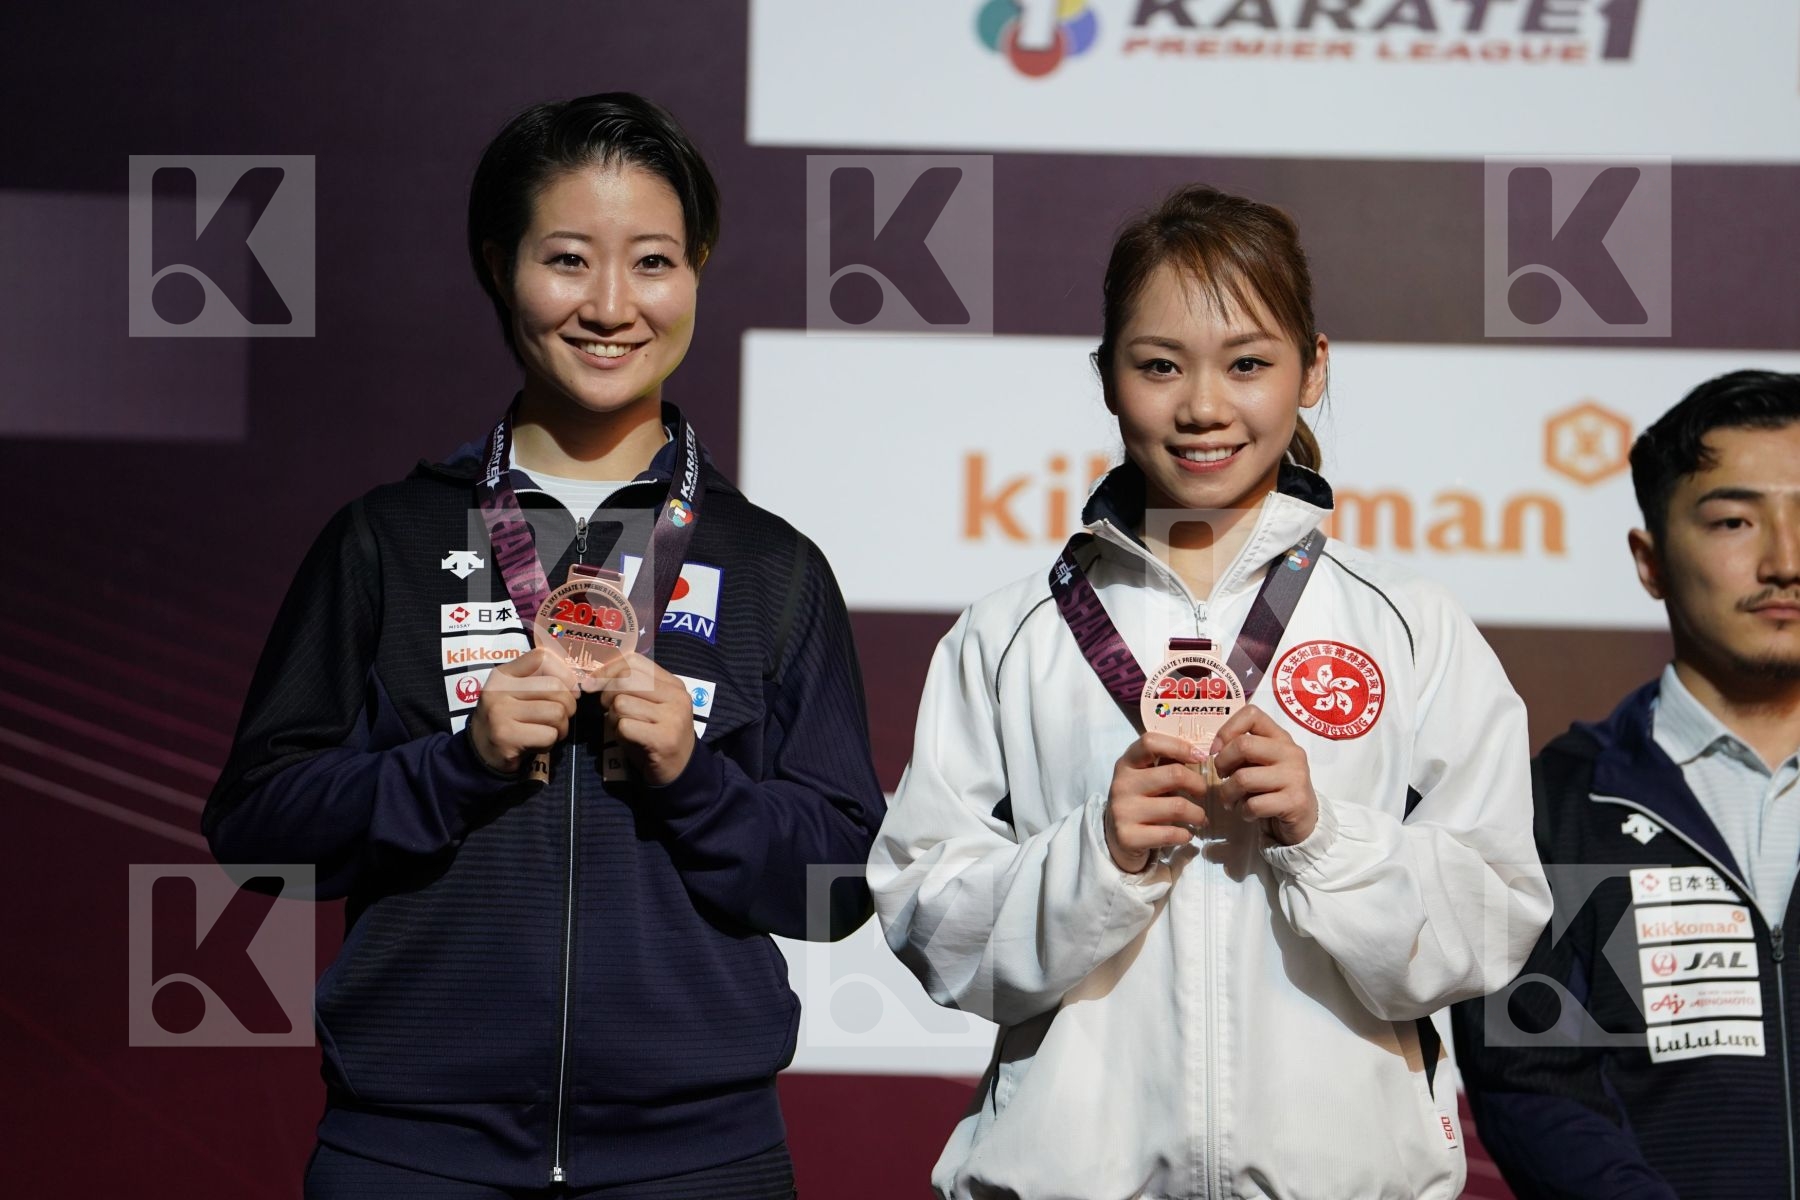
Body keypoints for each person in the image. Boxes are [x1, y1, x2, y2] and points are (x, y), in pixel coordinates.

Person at [204, 93, 885, 1198]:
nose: (611, 305)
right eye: (568, 259)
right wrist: (450, 769)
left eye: (653, 261)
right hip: (409, 1156)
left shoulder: (773, 566)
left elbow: (843, 883)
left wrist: (696, 784)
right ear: (497, 264)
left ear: (698, 269)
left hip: (699, 1164)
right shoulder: (388, 537)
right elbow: (257, 831)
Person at [868, 184, 1552, 1200]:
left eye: (1248, 364)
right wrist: (1094, 855)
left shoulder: (1408, 624)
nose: (1202, 407)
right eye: (1158, 365)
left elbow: (1494, 916)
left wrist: (1326, 836)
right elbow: (927, 917)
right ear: (1106, 377)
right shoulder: (1009, 636)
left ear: (1313, 369)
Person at [1452, 370, 1800, 1199]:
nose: (1785, 560)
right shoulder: (1554, 809)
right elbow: (1532, 1083)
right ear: (1649, 560)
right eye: (1733, 520)